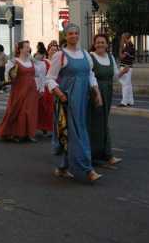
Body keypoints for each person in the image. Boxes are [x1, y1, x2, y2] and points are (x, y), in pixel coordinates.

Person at [46, 23, 103, 182]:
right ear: (65, 36)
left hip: (83, 99)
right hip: (68, 101)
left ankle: (63, 167)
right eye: (70, 34)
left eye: (76, 33)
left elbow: (90, 75)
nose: (74, 36)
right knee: (78, 133)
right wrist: (61, 96)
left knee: (71, 133)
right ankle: (88, 169)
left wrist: (97, 92)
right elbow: (49, 79)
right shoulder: (60, 56)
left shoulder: (85, 54)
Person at [88, 35, 128, 167]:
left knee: (104, 121)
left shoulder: (110, 57)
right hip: (95, 92)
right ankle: (100, 154)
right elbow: (89, 76)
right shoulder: (91, 57)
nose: (100, 44)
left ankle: (104, 154)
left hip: (108, 91)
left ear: (107, 45)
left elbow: (115, 76)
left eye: (102, 42)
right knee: (96, 123)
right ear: (94, 44)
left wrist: (123, 72)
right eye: (97, 42)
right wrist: (96, 93)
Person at [0, 41, 40, 143]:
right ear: (20, 49)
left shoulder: (32, 62)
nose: (28, 49)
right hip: (19, 90)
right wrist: (11, 73)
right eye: (26, 47)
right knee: (18, 111)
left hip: (31, 90)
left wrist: (40, 87)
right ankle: (17, 133)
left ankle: (29, 134)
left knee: (30, 112)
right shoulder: (14, 61)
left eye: (29, 47)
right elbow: (9, 75)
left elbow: (38, 74)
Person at [35, 42, 54, 136]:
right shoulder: (44, 62)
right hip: (46, 88)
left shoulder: (59, 61)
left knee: (53, 110)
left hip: (56, 87)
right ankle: (45, 128)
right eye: (52, 49)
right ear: (48, 51)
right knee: (46, 109)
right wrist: (40, 88)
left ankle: (53, 128)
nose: (54, 51)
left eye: (56, 50)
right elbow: (40, 76)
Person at [119, 32, 135, 107]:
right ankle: (130, 101)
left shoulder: (128, 47)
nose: (122, 39)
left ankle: (124, 102)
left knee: (125, 84)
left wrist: (120, 48)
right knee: (128, 84)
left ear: (126, 38)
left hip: (126, 66)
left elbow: (121, 57)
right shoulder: (130, 46)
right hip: (128, 66)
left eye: (123, 38)